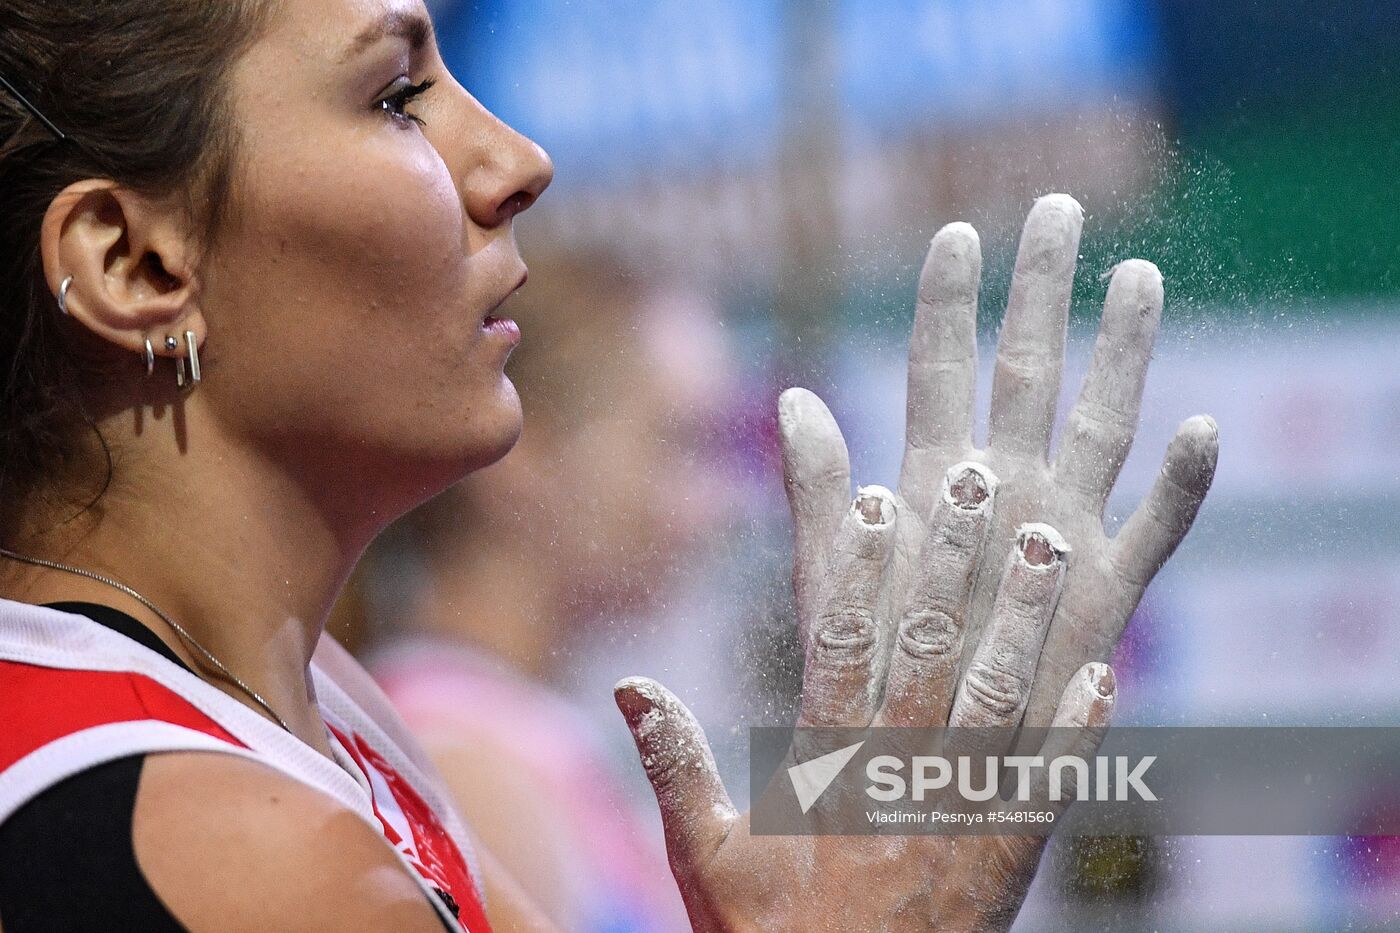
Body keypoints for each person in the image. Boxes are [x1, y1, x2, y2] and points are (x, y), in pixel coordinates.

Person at [0, 1, 1218, 931]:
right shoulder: (262, 859)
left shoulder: (316, 708)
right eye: (393, 96)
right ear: (132, 264)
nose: (518, 159)